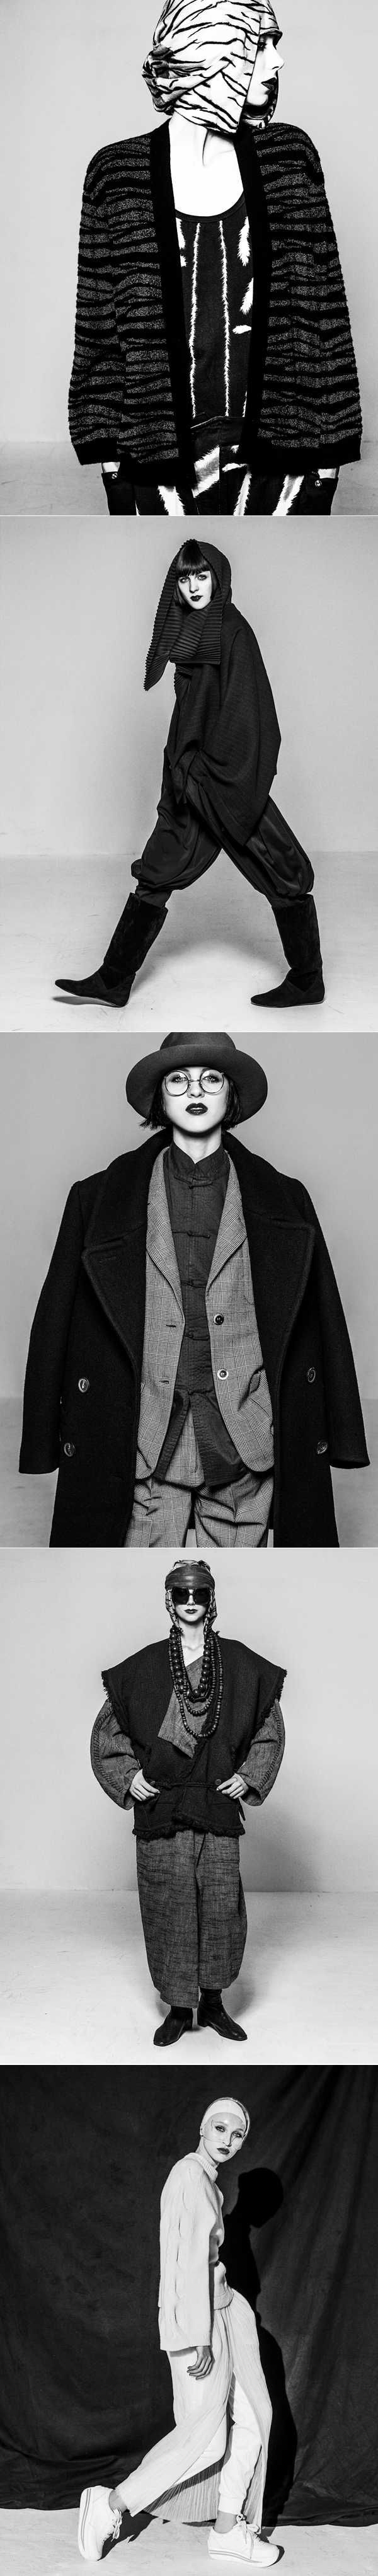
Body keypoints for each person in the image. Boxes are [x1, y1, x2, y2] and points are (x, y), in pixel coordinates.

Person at [19, 1031, 369, 1550]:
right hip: (139, 1437)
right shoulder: (96, 1199)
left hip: (248, 1436)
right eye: (178, 1080)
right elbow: (55, 1318)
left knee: (244, 1586)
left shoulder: (286, 1198)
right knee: (131, 1579)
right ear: (160, 1099)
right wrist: (42, 1437)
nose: (196, 1091)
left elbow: (324, 1318)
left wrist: (343, 1433)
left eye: (212, 1079)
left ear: (232, 1095)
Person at [69, 0, 362, 517]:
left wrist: (330, 461)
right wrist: (111, 467)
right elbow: (99, 331)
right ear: (210, 48)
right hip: (157, 459)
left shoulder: (289, 158)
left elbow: (326, 315)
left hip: (282, 456)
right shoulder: (117, 174)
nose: (277, 61)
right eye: (260, 43)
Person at [55, 538, 324, 1011]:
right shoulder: (190, 629)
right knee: (158, 870)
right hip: (190, 779)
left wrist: (211, 771)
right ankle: (114, 980)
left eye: (202, 576)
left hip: (225, 780)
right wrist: (181, 770)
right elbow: (191, 713)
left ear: (218, 580)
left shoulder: (232, 631)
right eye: (184, 577)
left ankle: (307, 980)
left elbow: (249, 712)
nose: (194, 586)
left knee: (284, 869)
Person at [91, 1556, 286, 2044]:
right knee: (169, 1904)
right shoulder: (145, 1666)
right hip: (163, 1807)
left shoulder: (238, 1663)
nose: (192, 1601)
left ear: (212, 1598)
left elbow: (268, 1726)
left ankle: (214, 2003)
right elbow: (109, 1732)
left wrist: (249, 1776)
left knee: (220, 1905)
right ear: (169, 1599)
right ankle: (179, 2007)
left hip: (216, 1805)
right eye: (183, 1593)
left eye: (200, 1593)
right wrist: (127, 1778)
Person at [78, 2095, 280, 2563]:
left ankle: (227, 2530)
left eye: (238, 2134)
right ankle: (110, 2504)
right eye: (220, 2128)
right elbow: (184, 2265)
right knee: (206, 2441)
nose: (228, 2140)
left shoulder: (208, 2183)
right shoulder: (189, 2176)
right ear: (203, 2129)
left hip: (224, 2312)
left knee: (255, 2418)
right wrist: (198, 2335)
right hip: (198, 2322)